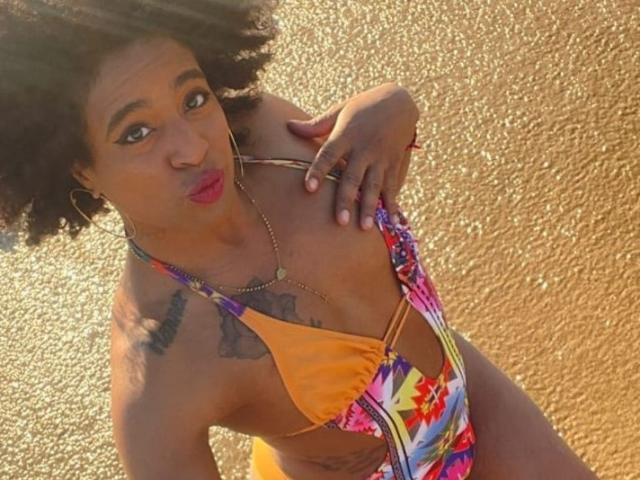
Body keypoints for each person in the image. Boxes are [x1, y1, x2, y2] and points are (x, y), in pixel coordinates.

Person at [0, 2, 597, 479]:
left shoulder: (270, 137)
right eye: (136, 132)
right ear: (80, 169)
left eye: (193, 98)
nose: (193, 147)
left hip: (474, 395)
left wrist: (395, 108)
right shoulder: (160, 367)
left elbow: (376, 179)